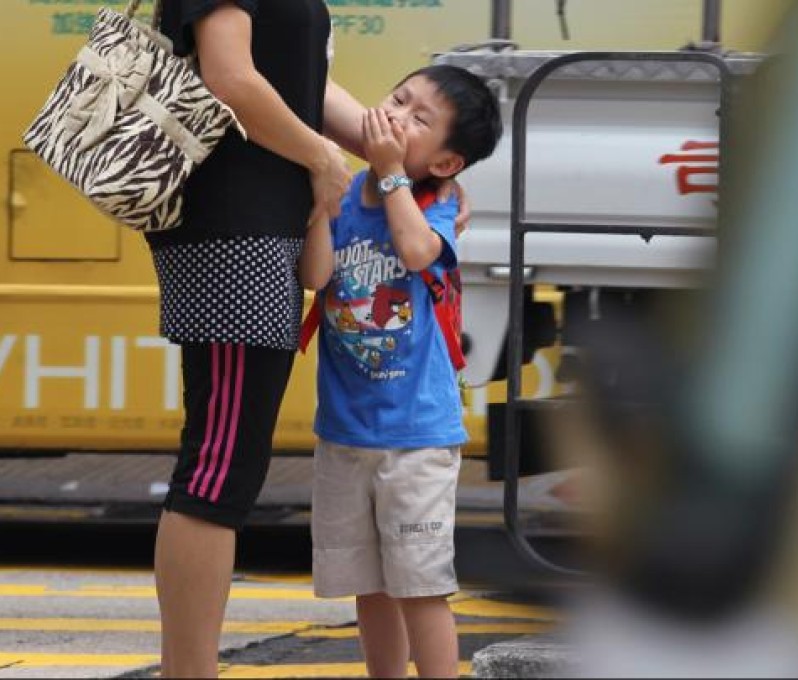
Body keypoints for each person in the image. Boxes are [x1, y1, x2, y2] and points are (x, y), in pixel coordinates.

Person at [145, 2, 467, 676]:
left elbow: (294, 85)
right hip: (237, 232)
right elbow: (230, 77)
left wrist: (411, 167)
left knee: (222, 466)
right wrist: (323, 159)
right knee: (217, 468)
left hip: (258, 231)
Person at [298, 64, 502, 678]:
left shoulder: (435, 207)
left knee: (420, 584)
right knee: (371, 584)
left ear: (445, 163)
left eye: (419, 119)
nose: (396, 116)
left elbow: (416, 253)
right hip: (345, 430)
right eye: (398, 99)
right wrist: (317, 203)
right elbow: (314, 277)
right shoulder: (347, 194)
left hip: (417, 435)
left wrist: (390, 175)